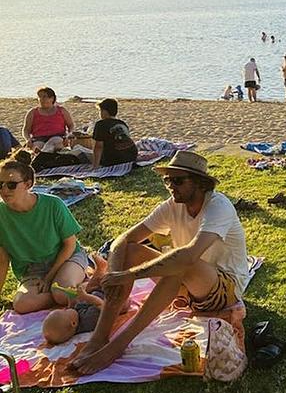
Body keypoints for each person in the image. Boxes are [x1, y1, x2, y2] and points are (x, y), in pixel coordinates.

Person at [69, 151, 249, 375]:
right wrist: (113, 273)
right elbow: (123, 239)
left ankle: (118, 345)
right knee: (130, 251)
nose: (171, 186)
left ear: (200, 184)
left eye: (178, 180)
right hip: (186, 288)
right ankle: (99, 337)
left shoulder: (218, 206)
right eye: (167, 180)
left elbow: (189, 256)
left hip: (224, 290)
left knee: (180, 262)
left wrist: (129, 275)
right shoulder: (173, 205)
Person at [0, 153, 90, 314]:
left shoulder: (53, 204)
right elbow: (2, 260)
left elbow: (69, 245)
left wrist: (49, 278)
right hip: (33, 271)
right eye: (0, 184)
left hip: (66, 259)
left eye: (11, 185)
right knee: (21, 304)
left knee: (61, 292)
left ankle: (87, 284)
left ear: (28, 184)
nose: (4, 190)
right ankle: (72, 290)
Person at [42, 252, 115, 345]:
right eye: (65, 311)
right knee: (105, 282)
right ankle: (105, 269)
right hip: (107, 296)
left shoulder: (73, 317)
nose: (65, 308)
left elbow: (72, 306)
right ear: (73, 323)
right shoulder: (88, 320)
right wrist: (86, 296)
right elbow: (101, 305)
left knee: (90, 286)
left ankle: (100, 269)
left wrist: (70, 297)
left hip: (95, 293)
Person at [22, 87, 75, 153]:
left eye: (44, 97)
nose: (41, 99)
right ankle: (43, 154)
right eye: (39, 97)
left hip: (57, 136)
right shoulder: (32, 112)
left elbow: (71, 125)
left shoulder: (61, 110)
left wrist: (69, 135)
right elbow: (26, 130)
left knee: (53, 142)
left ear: (52, 98)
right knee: (37, 146)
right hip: (39, 138)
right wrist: (28, 139)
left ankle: (42, 154)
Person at [91, 99, 138, 169]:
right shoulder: (122, 123)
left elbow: (99, 147)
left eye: (100, 111)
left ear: (104, 111)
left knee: (83, 154)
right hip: (131, 156)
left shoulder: (100, 124)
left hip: (115, 159)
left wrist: (95, 166)